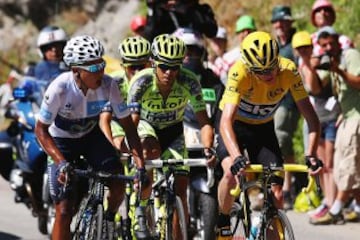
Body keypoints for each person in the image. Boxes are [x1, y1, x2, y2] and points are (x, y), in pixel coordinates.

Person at [34, 35, 146, 240]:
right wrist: (60, 163)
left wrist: (140, 166)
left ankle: (108, 221)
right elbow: (41, 131)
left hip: (91, 137)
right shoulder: (60, 88)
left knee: (117, 180)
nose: (101, 72)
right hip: (62, 142)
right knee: (65, 210)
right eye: (94, 69)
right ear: (76, 70)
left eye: (102, 65)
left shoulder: (109, 85)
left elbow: (129, 127)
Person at [215, 31, 322, 240]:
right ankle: (223, 218)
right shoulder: (239, 72)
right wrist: (237, 157)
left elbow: (311, 118)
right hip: (234, 127)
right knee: (231, 174)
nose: (269, 74)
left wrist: (310, 153)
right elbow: (225, 121)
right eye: (261, 71)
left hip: (263, 129)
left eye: (272, 66)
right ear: (249, 67)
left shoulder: (289, 70)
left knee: (277, 193)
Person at [127, 33, 216, 239]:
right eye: (164, 67)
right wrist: (138, 160)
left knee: (181, 189)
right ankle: (141, 209)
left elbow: (204, 122)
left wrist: (208, 149)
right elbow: (132, 124)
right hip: (146, 126)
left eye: (175, 67)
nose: (169, 72)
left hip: (174, 129)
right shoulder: (141, 82)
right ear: (153, 63)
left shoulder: (189, 81)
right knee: (150, 150)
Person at [308, 27, 360, 225]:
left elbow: (359, 82)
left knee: (346, 165)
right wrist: (310, 67)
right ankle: (358, 206)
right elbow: (316, 89)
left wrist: (338, 69)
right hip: (346, 117)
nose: (329, 47)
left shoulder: (350, 55)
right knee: (342, 166)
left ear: (338, 41)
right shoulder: (330, 62)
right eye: (324, 45)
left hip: (356, 117)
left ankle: (336, 208)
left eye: (331, 43)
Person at [292, 30, 340, 220]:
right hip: (316, 118)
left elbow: (315, 88)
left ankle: (333, 203)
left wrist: (310, 68)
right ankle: (328, 202)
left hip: (331, 116)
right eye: (300, 48)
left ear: (312, 47)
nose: (304, 51)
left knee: (330, 163)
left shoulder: (320, 62)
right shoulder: (299, 66)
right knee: (323, 166)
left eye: (306, 47)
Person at [270, 5, 301, 209]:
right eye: (277, 21)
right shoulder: (275, 46)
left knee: (282, 139)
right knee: (275, 143)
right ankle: (276, 188)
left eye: (284, 21)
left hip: (290, 101)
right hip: (271, 102)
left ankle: (287, 187)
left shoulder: (296, 44)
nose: (280, 25)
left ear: (290, 23)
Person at [209, 15, 256, 85]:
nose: (246, 34)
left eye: (249, 31)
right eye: (243, 31)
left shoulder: (264, 55)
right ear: (238, 34)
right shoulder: (228, 58)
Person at [142, 0, 218, 41]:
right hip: (173, 60)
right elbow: (149, 38)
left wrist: (184, 8)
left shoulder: (197, 9)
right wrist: (151, 9)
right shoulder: (159, 15)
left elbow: (211, 31)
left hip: (196, 56)